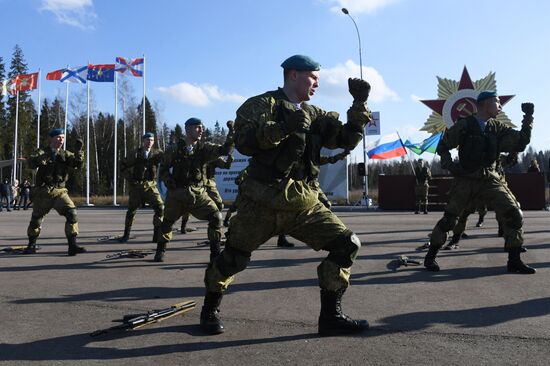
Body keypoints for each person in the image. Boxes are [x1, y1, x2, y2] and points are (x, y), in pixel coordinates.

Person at [200, 55, 372, 336]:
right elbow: (244, 143)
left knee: (347, 244)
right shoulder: (260, 105)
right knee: (232, 259)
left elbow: (345, 139)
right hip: (261, 202)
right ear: (293, 75)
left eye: (318, 79)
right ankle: (209, 309)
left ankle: (330, 317)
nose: (317, 83)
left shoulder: (316, 114)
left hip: (303, 204)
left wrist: (359, 103)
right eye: (313, 77)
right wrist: (284, 127)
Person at [423, 91, 535, 274]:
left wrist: (528, 117)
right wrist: (450, 166)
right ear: (486, 103)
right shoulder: (465, 125)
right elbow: (443, 146)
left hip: (490, 179)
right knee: (450, 220)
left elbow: (521, 142)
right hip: (466, 180)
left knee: (515, 214)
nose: (500, 106)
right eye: (497, 102)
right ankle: (430, 257)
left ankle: (514, 260)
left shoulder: (497, 127)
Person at [154, 118, 234, 262]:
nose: (201, 130)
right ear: (187, 129)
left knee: (216, 216)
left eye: (202, 127)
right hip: (177, 194)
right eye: (197, 127)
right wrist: (167, 180)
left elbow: (224, 150)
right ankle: (160, 250)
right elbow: (163, 169)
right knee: (167, 223)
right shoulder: (174, 149)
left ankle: (215, 254)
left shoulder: (204, 149)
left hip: (198, 193)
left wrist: (231, 134)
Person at [22, 128, 86, 255]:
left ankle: (72, 245)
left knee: (72, 213)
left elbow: (77, 164)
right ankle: (31, 245)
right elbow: (31, 162)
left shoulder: (65, 154)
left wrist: (79, 152)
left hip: (59, 191)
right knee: (36, 219)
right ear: (50, 138)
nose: (61, 140)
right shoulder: (42, 152)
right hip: (43, 191)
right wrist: (44, 157)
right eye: (58, 137)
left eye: (63, 137)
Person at [276, 150, 350, 248]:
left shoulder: (313, 156)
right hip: (299, 188)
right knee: (288, 213)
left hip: (312, 186)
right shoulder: (295, 158)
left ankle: (324, 234)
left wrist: (342, 155)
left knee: (326, 204)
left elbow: (330, 159)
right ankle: (282, 238)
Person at [118, 132, 164, 243]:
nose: (150, 142)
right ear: (143, 141)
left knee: (160, 208)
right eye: (148, 140)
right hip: (137, 186)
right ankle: (126, 234)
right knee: (131, 211)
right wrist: (130, 179)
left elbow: (168, 160)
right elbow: (122, 166)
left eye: (152, 140)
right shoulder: (134, 154)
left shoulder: (157, 153)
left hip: (151, 185)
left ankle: (156, 234)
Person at [180, 152, 234, 234]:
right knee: (189, 204)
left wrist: (230, 159)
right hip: (196, 184)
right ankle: (183, 226)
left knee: (219, 204)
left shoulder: (214, 157)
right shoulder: (195, 156)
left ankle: (214, 222)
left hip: (209, 184)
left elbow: (226, 166)